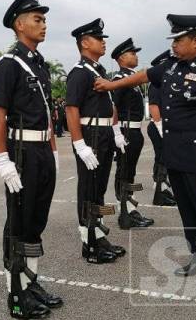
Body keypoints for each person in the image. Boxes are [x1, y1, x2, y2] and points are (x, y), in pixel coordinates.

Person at [94, 14, 196, 290]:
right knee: (188, 210)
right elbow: (145, 75)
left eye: (179, 40)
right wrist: (111, 85)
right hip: (175, 154)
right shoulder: (170, 66)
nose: (174, 45)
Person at [0, 0, 62, 319]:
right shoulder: (9, 64)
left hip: (41, 149)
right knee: (18, 222)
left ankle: (31, 280)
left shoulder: (39, 64)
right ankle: (15, 294)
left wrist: (53, 149)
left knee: (36, 220)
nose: (44, 24)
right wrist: (2, 159)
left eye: (44, 19)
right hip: (20, 151)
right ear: (20, 25)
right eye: (38, 19)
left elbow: (47, 114)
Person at [65, 18, 128, 264]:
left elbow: (109, 107)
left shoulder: (99, 72)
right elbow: (71, 109)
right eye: (99, 39)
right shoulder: (79, 73)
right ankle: (89, 242)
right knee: (88, 190)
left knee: (99, 190)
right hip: (89, 136)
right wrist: (80, 144)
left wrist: (114, 134)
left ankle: (99, 234)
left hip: (102, 135)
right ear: (85, 42)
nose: (103, 43)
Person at [110, 38, 154, 227]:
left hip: (135, 131)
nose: (136, 56)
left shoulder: (132, 79)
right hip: (125, 131)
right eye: (132, 53)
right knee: (124, 171)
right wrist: (116, 133)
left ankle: (131, 207)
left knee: (131, 173)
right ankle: (125, 213)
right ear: (121, 58)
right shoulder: (120, 80)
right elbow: (112, 106)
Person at [147, 51, 177, 206]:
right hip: (158, 126)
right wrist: (160, 127)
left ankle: (163, 189)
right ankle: (159, 192)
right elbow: (153, 106)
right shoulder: (156, 84)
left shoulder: (165, 82)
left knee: (165, 159)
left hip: (165, 126)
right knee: (161, 158)